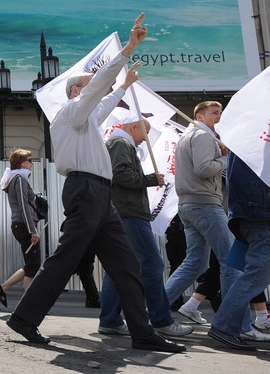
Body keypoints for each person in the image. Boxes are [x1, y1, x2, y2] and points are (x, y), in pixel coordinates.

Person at [6, 14, 185, 353]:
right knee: (65, 259)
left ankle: (142, 332)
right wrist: (128, 49)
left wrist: (124, 86)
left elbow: (102, 102)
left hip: (100, 194)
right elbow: (98, 88)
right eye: (88, 86)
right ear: (77, 91)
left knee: (126, 264)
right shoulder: (72, 111)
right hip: (86, 191)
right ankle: (25, 318)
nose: (94, 92)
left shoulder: (83, 118)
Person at [96, 117, 192, 338]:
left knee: (120, 267)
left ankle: (110, 320)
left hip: (123, 211)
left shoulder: (118, 143)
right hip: (130, 212)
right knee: (151, 263)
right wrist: (150, 179)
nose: (146, 139)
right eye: (146, 132)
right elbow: (120, 174)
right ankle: (161, 320)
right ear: (133, 127)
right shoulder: (121, 143)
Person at [163, 101, 238, 320]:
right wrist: (226, 158)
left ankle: (158, 311)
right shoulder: (203, 136)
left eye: (220, 112)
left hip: (190, 205)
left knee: (196, 263)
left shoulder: (189, 136)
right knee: (230, 261)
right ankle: (234, 324)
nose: (219, 116)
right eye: (214, 112)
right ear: (200, 116)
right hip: (205, 204)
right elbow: (204, 169)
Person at [208, 152, 270, 350]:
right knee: (255, 276)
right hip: (260, 216)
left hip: (250, 214)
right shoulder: (257, 140)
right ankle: (225, 326)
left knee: (253, 274)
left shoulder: (244, 140)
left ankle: (229, 326)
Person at [0, 148, 41, 308]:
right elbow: (23, 207)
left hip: (21, 225)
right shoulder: (19, 179)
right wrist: (32, 230)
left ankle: (3, 288)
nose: (32, 164)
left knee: (31, 263)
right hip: (23, 225)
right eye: (30, 160)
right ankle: (29, 304)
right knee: (33, 265)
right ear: (21, 163)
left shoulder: (16, 179)